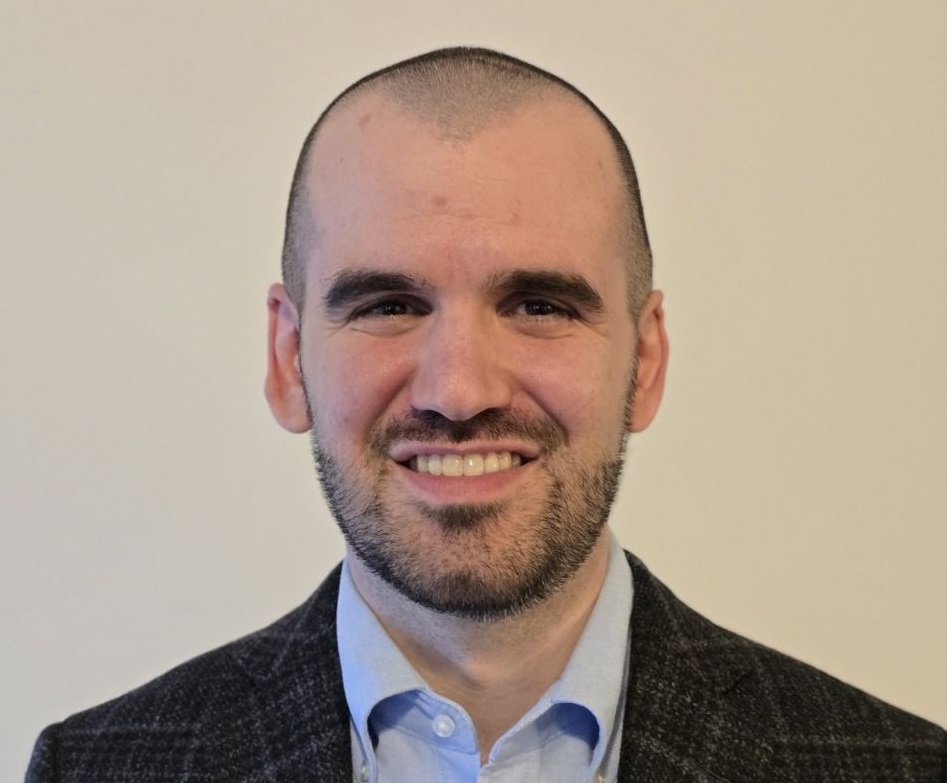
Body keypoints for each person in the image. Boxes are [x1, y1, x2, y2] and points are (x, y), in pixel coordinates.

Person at [26, 47, 945, 783]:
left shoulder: (902, 768)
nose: (458, 391)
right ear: (287, 359)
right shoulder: (92, 768)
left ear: (645, 360)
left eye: (538, 305)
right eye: (389, 305)